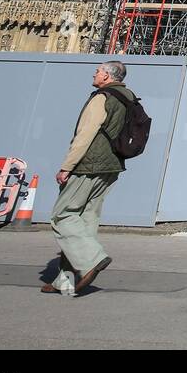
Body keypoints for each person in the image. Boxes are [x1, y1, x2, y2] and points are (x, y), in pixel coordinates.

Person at [42, 61, 133, 296]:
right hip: (112, 164)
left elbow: (86, 134)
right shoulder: (128, 97)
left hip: (89, 164)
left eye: (98, 71)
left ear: (106, 76)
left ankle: (92, 260)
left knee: (62, 215)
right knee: (85, 220)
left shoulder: (102, 97)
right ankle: (66, 280)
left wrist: (67, 166)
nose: (94, 74)